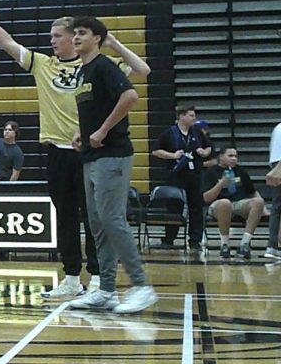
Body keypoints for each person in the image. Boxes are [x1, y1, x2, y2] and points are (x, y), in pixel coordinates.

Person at [0, 0, 150, 301]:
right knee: (64, 216)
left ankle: (100, 279)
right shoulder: (43, 64)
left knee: (96, 219)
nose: (52, 41)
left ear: (75, 38)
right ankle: (72, 278)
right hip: (58, 151)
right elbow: (6, 43)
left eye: (57, 36)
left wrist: (112, 41)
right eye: (52, 37)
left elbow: (140, 70)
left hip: (92, 152)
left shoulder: (94, 65)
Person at [66, 16, 157, 315]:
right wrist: (83, 132)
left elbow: (130, 95)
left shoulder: (105, 65)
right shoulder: (83, 71)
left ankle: (141, 286)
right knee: (97, 224)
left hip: (112, 155)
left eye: (82, 33)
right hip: (91, 157)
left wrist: (103, 130)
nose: (76, 37)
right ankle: (106, 290)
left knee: (113, 219)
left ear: (97, 38)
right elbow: (95, 107)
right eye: (74, 33)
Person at [151, 105, 212, 252]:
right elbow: (156, 151)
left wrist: (204, 152)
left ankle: (195, 240)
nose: (194, 118)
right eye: (191, 115)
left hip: (194, 175)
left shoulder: (197, 132)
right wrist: (173, 156)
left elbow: (209, 147)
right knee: (174, 206)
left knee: (196, 207)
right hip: (177, 175)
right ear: (182, 116)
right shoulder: (169, 133)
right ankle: (169, 238)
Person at [202, 146, 266, 260]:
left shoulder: (240, 171)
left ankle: (244, 244)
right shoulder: (211, 172)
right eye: (230, 156)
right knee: (225, 203)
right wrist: (221, 184)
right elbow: (206, 198)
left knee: (258, 202)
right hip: (218, 204)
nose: (234, 159)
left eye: (236, 156)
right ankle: (225, 245)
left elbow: (252, 192)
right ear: (221, 157)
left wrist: (263, 208)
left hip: (238, 203)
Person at [267, 121, 281, 259]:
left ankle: (272, 246)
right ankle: (273, 245)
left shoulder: (277, 127)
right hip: (278, 165)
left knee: (277, 206)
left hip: (276, 165)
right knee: (277, 207)